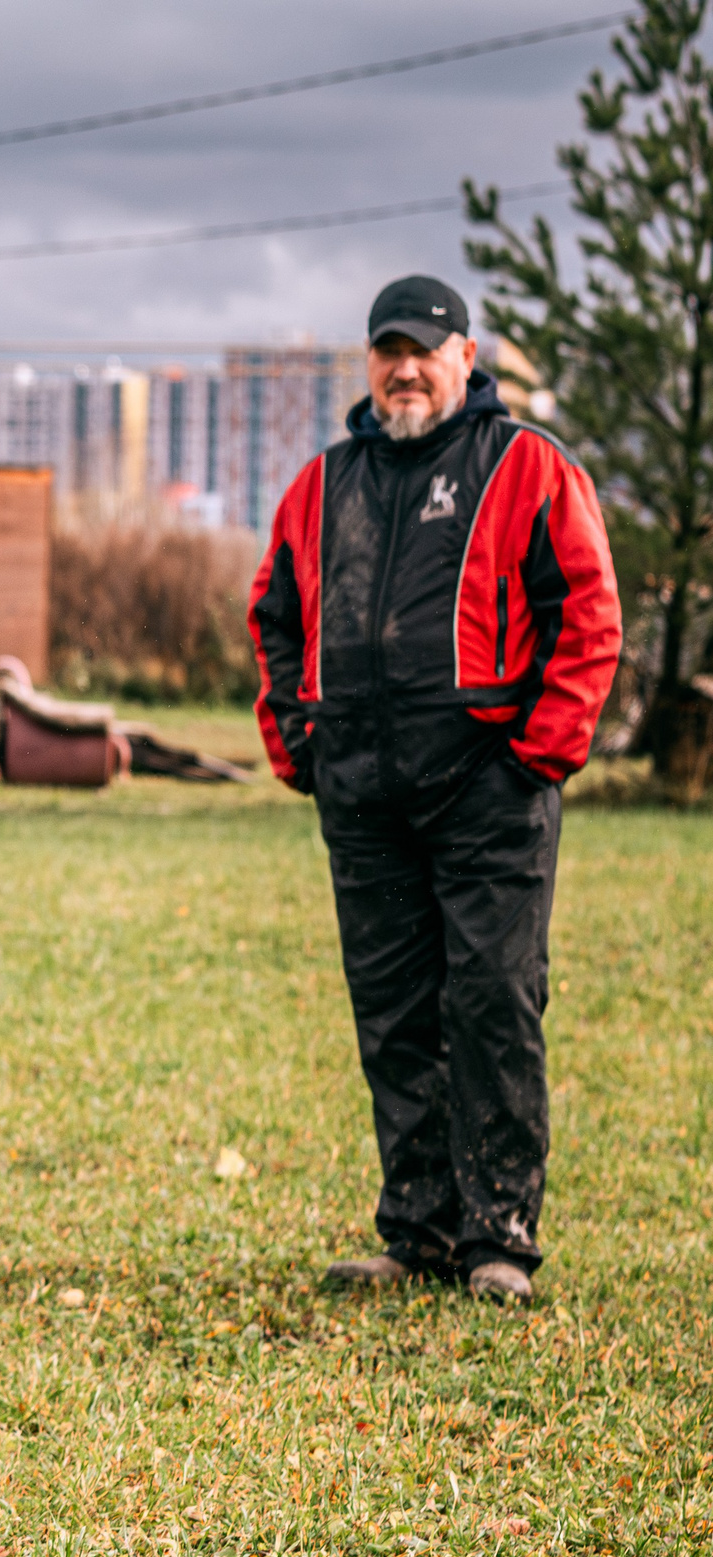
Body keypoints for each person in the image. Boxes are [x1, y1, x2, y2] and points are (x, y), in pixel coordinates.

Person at [249, 274, 620, 1304]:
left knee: (492, 1003)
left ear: (466, 356)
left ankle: (497, 1235)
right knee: (395, 1015)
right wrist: (299, 748)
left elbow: (587, 617)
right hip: (363, 798)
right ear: (368, 363)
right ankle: (414, 1228)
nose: (404, 367)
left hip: (487, 796)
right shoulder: (321, 486)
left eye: (425, 347)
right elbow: (273, 614)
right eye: (387, 349)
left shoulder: (526, 466)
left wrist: (535, 759)